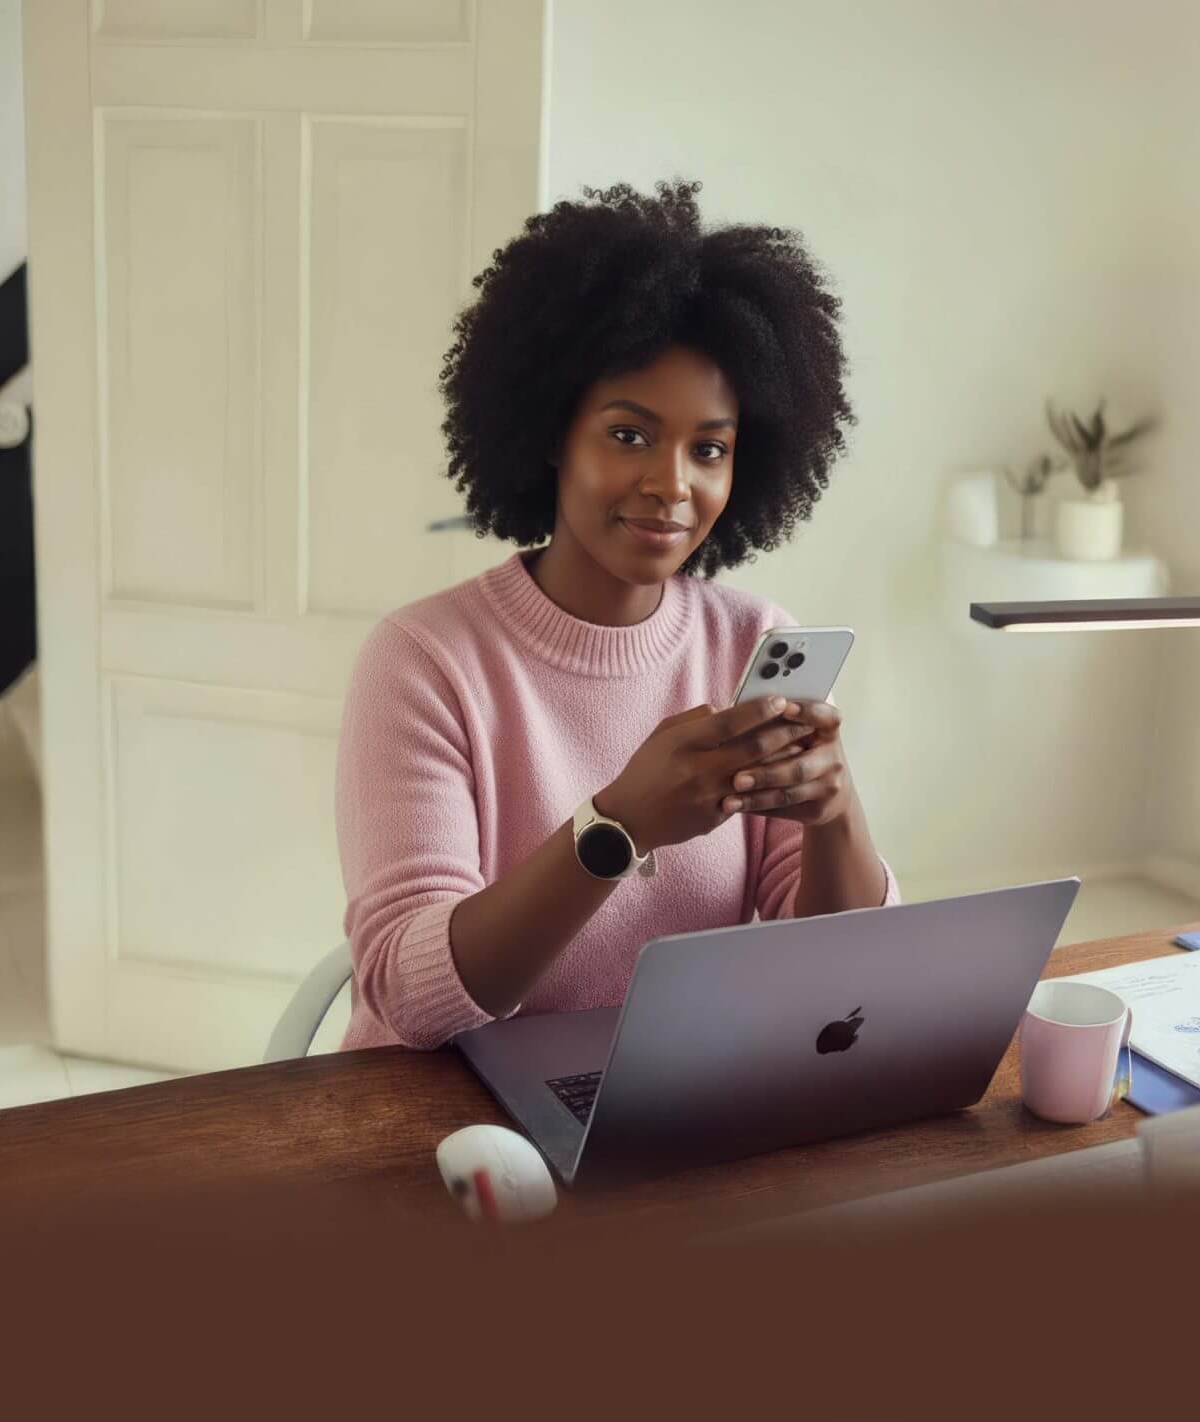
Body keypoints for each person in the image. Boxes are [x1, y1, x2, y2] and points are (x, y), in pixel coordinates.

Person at [336, 180, 895, 1050]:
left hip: (669, 1104)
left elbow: (834, 981)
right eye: (629, 435)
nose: (672, 484)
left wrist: (834, 814)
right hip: (442, 1119)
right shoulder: (425, 661)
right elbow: (410, 997)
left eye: (708, 448)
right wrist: (617, 826)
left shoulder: (752, 641)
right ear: (553, 431)